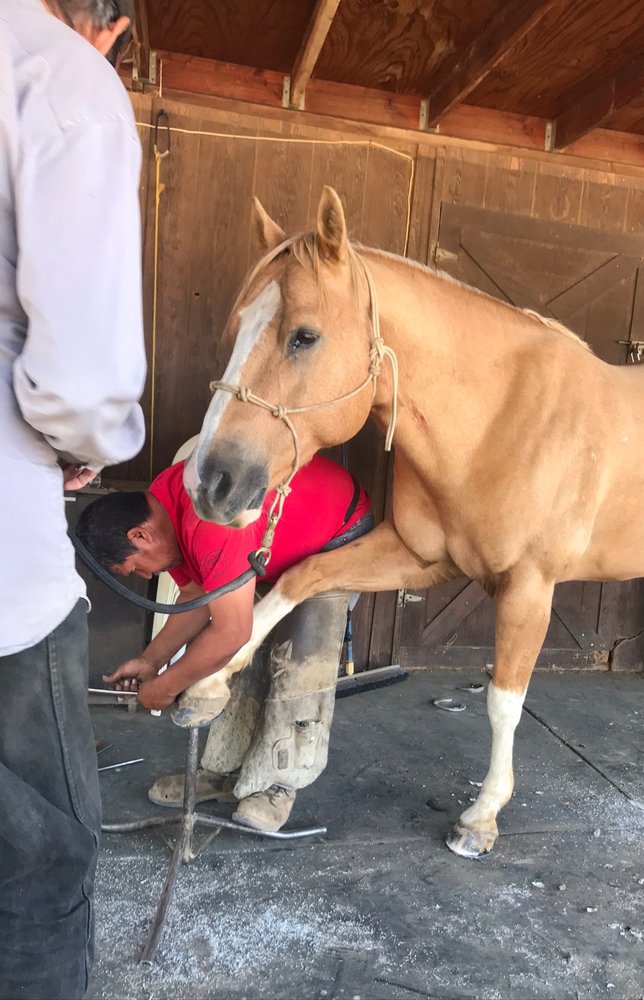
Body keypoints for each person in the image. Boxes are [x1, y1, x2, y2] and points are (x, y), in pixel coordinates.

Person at [0, 1, 146, 998]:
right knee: (40, 858)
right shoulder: (60, 76)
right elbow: (84, 382)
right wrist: (80, 450)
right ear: (112, 25)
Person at [77, 453, 373, 832]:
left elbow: (232, 632)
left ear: (140, 535)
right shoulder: (164, 507)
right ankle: (224, 774)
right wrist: (152, 660)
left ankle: (277, 784)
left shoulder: (207, 519)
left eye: (135, 567)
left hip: (335, 540)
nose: (145, 574)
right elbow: (196, 598)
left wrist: (166, 688)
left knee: (297, 656)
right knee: (229, 662)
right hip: (274, 547)